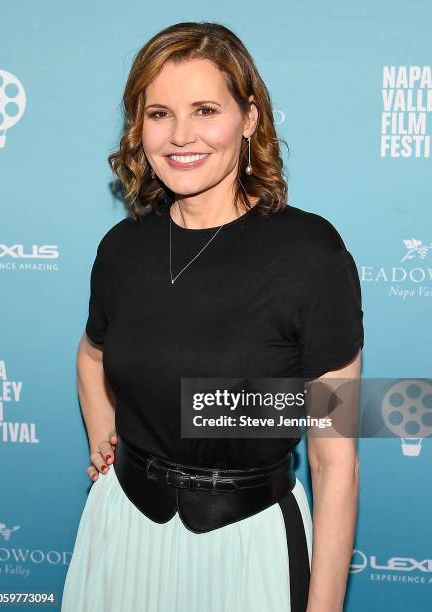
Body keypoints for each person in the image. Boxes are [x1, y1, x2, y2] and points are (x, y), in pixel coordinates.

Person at [61, 21, 364, 612]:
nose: (180, 136)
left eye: (204, 110)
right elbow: (93, 353)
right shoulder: (123, 249)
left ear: (249, 118)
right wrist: (106, 441)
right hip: (121, 530)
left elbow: (334, 458)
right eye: (159, 114)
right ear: (138, 126)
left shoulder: (310, 254)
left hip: (245, 544)